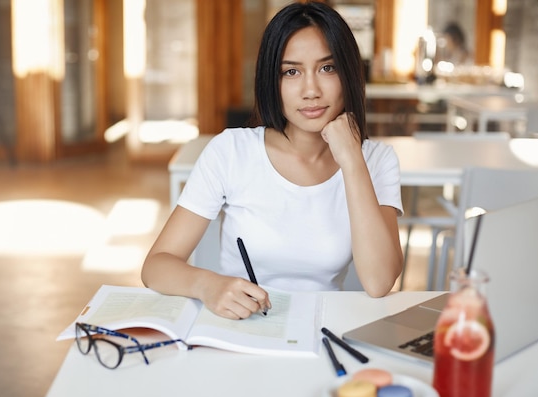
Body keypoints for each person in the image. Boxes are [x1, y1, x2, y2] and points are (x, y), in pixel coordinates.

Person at [142, 1, 404, 320]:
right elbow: (156, 265)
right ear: (272, 80)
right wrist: (207, 285)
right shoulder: (231, 152)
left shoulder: (377, 160)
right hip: (243, 327)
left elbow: (379, 283)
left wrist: (351, 160)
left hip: (323, 331)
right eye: (291, 71)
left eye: (327, 68)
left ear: (348, 73)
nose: (311, 90)